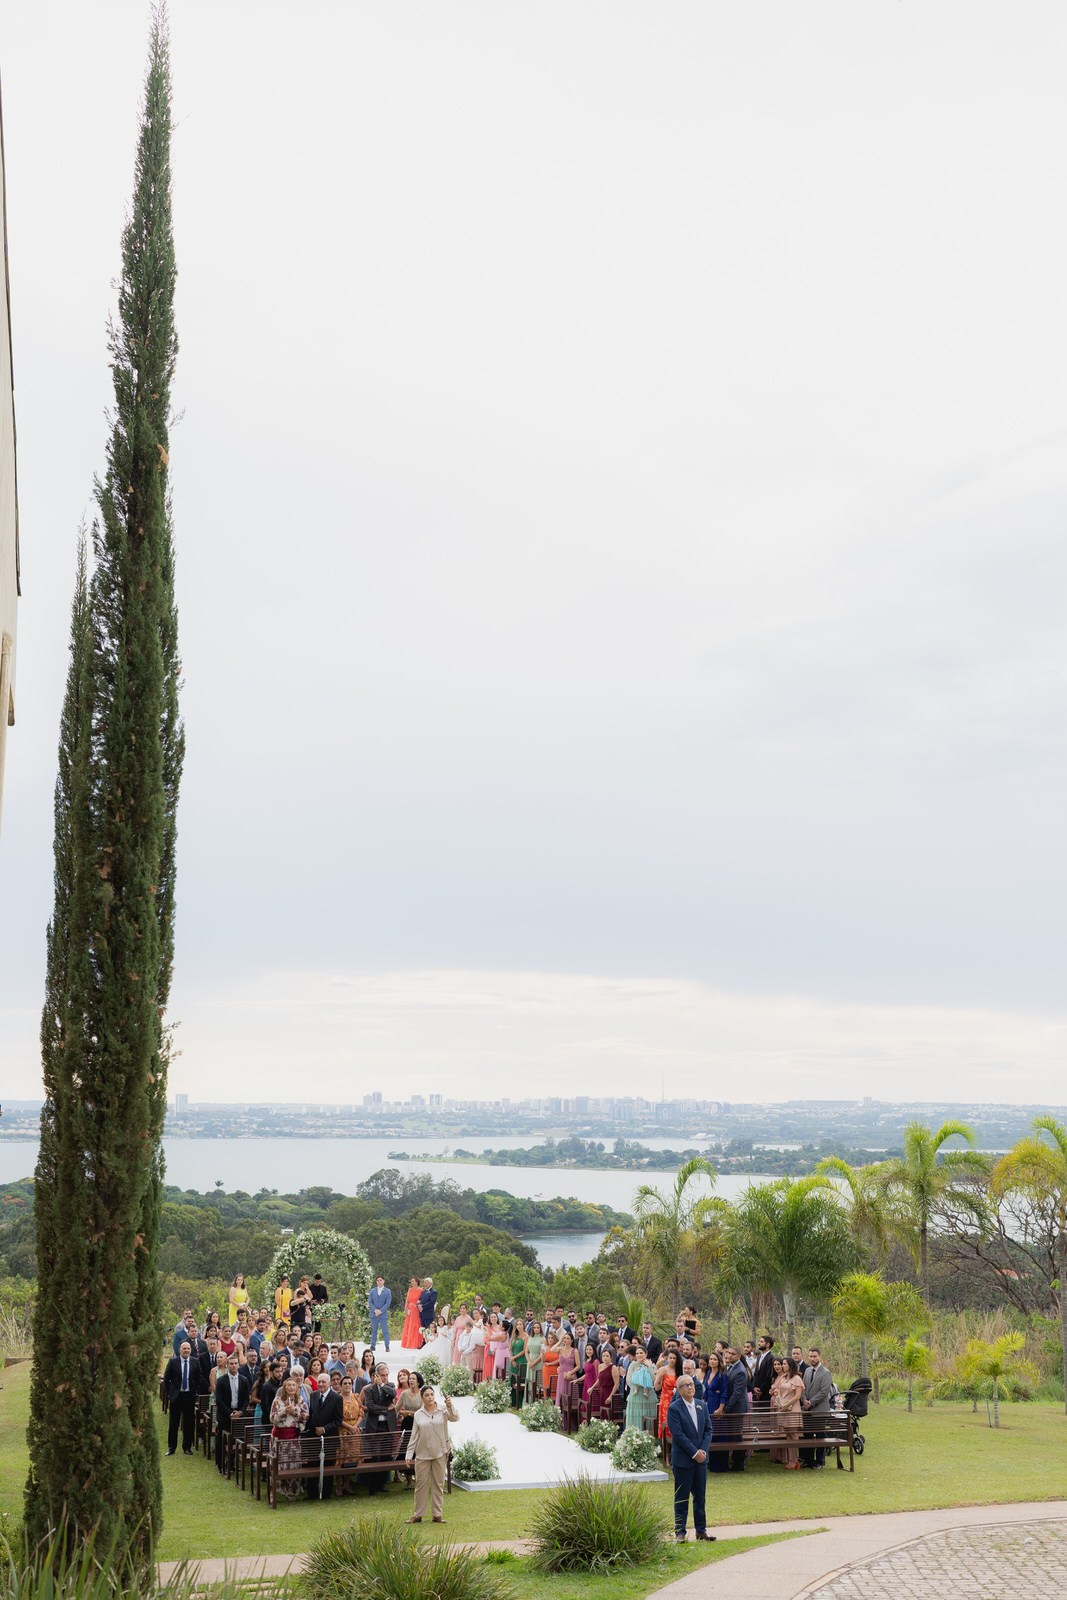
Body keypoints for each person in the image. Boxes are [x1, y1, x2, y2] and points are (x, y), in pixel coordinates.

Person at [667, 1375, 715, 1544]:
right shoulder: (674, 1408)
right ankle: (680, 1532)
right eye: (686, 1385)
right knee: (681, 1497)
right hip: (684, 1461)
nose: (690, 1387)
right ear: (679, 1390)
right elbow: (678, 1435)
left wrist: (703, 1450)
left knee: (700, 1497)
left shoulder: (702, 1405)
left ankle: (701, 1530)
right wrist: (695, 1453)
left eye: (692, 1384)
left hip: (701, 1461)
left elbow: (708, 1430)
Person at [405, 1385, 459, 1524]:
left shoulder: (442, 1410)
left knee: (438, 1484)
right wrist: (408, 1454)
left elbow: (455, 1418)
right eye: (427, 1395)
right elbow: (414, 1436)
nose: (430, 1397)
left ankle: (437, 1515)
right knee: (420, 1486)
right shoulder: (418, 1414)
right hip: (422, 1454)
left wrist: (450, 1405)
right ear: (422, 1398)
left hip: (440, 1452)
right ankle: (418, 1515)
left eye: (431, 1394)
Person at [361, 1363, 398, 1495]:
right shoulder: (369, 1389)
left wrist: (382, 1385)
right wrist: (386, 1409)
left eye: (387, 1375)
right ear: (376, 1376)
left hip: (387, 1427)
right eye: (382, 1375)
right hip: (375, 1428)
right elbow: (370, 1406)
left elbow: (393, 1394)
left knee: (385, 1457)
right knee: (375, 1457)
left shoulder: (390, 1386)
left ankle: (382, 1484)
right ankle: (373, 1487)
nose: (385, 1377)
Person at [304, 1372, 343, 1497]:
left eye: (323, 1382)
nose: (320, 1384)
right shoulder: (313, 1395)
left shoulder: (337, 1398)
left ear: (329, 1383)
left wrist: (324, 1429)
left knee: (328, 1466)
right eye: (319, 1382)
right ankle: (312, 1493)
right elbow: (311, 1415)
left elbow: (338, 1420)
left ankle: (326, 1493)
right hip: (313, 1438)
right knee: (312, 1465)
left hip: (329, 1438)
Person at [269, 1376, 308, 1500]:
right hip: (279, 1438)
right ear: (284, 1388)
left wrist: (295, 1411)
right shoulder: (277, 1400)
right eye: (289, 1385)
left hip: (293, 1439)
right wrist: (284, 1411)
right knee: (278, 1464)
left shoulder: (300, 1400)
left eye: (293, 1386)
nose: (291, 1387)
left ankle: (293, 1489)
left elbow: (306, 1416)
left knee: (293, 1465)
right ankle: (277, 1488)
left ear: (297, 1388)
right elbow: (271, 1418)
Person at [163, 1340, 203, 1455]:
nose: (186, 1350)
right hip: (176, 1396)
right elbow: (166, 1379)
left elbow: (198, 1378)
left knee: (189, 1423)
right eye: (184, 1348)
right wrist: (170, 1393)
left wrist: (195, 1391)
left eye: (188, 1349)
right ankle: (171, 1448)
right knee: (173, 1423)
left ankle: (187, 1447)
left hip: (189, 1396)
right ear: (180, 1350)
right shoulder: (173, 1362)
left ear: (191, 1350)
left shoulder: (195, 1362)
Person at [214, 1353, 250, 1474]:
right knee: (222, 1441)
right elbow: (219, 1400)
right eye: (231, 1364)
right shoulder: (221, 1381)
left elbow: (246, 1399)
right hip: (225, 1415)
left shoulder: (244, 1380)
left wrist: (241, 1412)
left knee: (236, 1440)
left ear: (238, 1365)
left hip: (239, 1415)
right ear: (227, 1365)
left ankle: (232, 1465)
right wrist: (230, 1413)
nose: (233, 1366)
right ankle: (221, 1465)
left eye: (235, 1364)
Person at [801, 1347, 833, 1468]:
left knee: (820, 1435)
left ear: (819, 1357)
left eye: (815, 1356)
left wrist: (811, 1402)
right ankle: (809, 1461)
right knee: (807, 1435)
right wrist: (804, 1400)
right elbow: (803, 1387)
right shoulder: (808, 1371)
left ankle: (820, 1461)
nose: (813, 1358)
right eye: (811, 1356)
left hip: (820, 1410)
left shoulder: (826, 1373)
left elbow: (824, 1392)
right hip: (807, 1410)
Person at [720, 1345, 751, 1472]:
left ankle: (739, 1464)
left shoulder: (740, 1370)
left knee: (736, 1435)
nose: (730, 1355)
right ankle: (733, 1461)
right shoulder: (730, 1367)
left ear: (738, 1356)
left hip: (737, 1408)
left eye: (733, 1354)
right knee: (732, 1435)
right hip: (732, 1407)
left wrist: (726, 1409)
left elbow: (737, 1394)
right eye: (728, 1353)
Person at [776, 1356, 805, 1468]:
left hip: (793, 1408)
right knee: (787, 1433)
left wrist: (787, 1404)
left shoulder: (797, 1378)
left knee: (793, 1433)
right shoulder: (783, 1377)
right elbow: (779, 1391)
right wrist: (779, 1403)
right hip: (783, 1408)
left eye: (785, 1364)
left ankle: (795, 1460)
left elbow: (798, 1395)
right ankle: (790, 1459)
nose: (783, 1366)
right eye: (782, 1364)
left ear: (790, 1365)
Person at [703, 1351, 729, 1473]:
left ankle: (721, 1465)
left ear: (719, 1361)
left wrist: (721, 1408)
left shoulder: (722, 1375)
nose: (712, 1361)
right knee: (710, 1433)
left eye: (714, 1359)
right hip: (708, 1405)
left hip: (718, 1406)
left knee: (719, 1434)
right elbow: (706, 1391)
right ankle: (711, 1463)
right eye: (711, 1359)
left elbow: (724, 1392)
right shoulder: (708, 1373)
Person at [337, 1375, 364, 1488]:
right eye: (345, 1383)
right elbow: (337, 1417)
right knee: (341, 1458)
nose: (347, 1385)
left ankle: (347, 1485)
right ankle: (339, 1485)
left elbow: (361, 1412)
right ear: (341, 1386)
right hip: (343, 1431)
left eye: (349, 1383)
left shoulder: (356, 1397)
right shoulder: (337, 1398)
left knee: (351, 1458)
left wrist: (355, 1426)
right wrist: (349, 1427)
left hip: (355, 1431)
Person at [624, 1344, 658, 1432]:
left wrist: (649, 1367)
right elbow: (628, 1380)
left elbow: (655, 1381)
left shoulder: (652, 1365)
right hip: (635, 1396)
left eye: (641, 1353)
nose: (639, 1355)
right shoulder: (633, 1365)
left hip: (648, 1397)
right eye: (637, 1353)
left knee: (648, 1420)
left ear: (646, 1354)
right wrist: (638, 1383)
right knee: (635, 1420)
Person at [656, 1349, 684, 1447]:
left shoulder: (680, 1370)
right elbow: (657, 1387)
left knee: (677, 1423)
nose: (672, 1360)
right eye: (670, 1358)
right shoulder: (663, 1369)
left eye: (674, 1358)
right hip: (665, 1401)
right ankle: (665, 1450)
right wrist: (660, 1376)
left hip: (677, 1400)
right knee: (666, 1424)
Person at [554, 1332, 580, 1417]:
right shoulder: (560, 1349)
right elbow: (552, 1350)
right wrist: (560, 1340)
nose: (566, 1340)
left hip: (570, 1376)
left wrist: (570, 1372)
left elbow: (578, 1365)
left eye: (567, 1338)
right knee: (560, 1397)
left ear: (572, 1340)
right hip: (561, 1376)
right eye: (564, 1338)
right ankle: (559, 1418)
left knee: (569, 1398)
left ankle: (569, 1421)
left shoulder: (574, 1351)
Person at [751, 1334, 776, 1410]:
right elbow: (756, 1374)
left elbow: (768, 1376)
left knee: (765, 1417)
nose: (759, 1343)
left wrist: (760, 1390)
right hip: (756, 1392)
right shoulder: (759, 1357)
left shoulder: (771, 1358)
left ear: (768, 1344)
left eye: (761, 1342)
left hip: (765, 1393)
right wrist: (754, 1387)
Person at [369, 1275, 392, 1352]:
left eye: (381, 1280)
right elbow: (370, 1302)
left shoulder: (388, 1291)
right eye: (378, 1280)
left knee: (385, 1331)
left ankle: (387, 1346)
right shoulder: (372, 1291)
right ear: (376, 1282)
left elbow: (387, 1303)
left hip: (383, 1314)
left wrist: (380, 1311)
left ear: (383, 1281)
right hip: (374, 1314)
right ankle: (372, 1345)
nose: (379, 1281)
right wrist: (375, 1310)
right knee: (374, 1331)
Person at [508, 1322, 529, 1407]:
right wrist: (512, 1359)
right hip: (513, 1360)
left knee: (520, 1381)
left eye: (521, 1324)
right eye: (517, 1325)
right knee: (512, 1380)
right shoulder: (514, 1336)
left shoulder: (526, 1336)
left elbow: (525, 1351)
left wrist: (514, 1357)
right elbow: (510, 1348)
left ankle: (519, 1403)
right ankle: (512, 1402)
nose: (519, 1326)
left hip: (521, 1360)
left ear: (523, 1326)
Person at [524, 1320, 545, 1402]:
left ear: (540, 1329)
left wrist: (534, 1363)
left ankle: (536, 1401)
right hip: (529, 1361)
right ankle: (528, 1401)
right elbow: (526, 1351)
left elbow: (542, 1354)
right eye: (535, 1327)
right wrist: (529, 1362)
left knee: (537, 1381)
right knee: (529, 1380)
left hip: (538, 1362)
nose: (536, 1329)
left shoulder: (543, 1339)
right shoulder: (529, 1338)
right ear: (532, 1329)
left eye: (538, 1327)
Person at [401, 1276, 422, 1348]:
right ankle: (407, 1342)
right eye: (411, 1281)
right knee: (408, 1325)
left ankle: (415, 1343)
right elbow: (407, 1300)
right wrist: (405, 1309)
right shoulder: (410, 1290)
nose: (412, 1283)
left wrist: (417, 1305)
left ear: (417, 1282)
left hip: (416, 1311)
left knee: (415, 1325)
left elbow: (421, 1301)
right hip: (409, 1310)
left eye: (413, 1281)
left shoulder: (420, 1290)